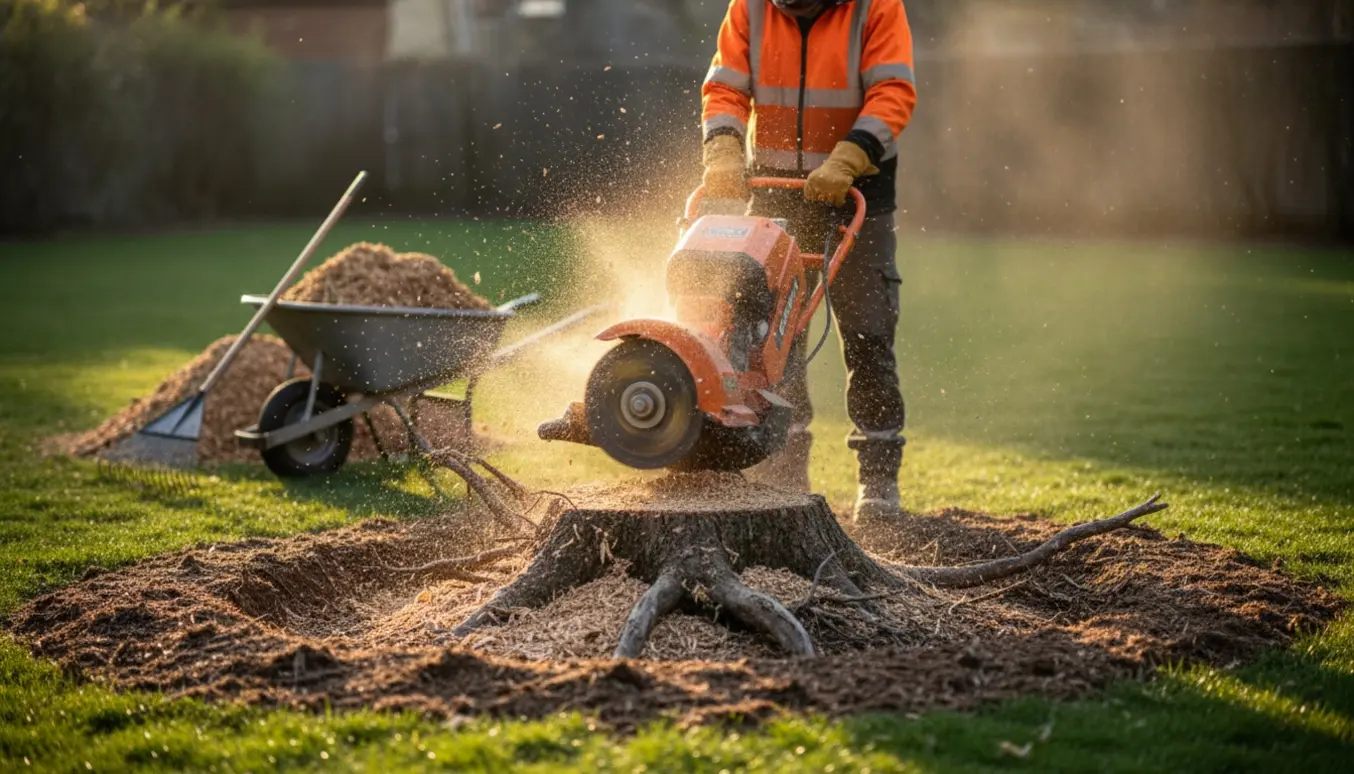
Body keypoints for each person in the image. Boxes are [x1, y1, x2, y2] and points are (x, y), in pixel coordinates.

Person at [699, 0, 917, 523]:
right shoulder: (750, 8)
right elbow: (725, 87)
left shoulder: (875, 8)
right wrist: (725, 149)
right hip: (776, 193)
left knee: (867, 334)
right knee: (771, 336)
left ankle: (878, 481)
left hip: (855, 188)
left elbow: (892, 93)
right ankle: (780, 469)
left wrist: (847, 158)